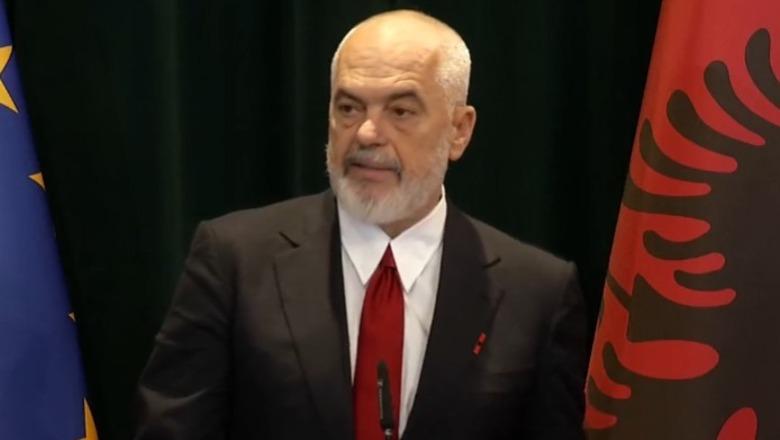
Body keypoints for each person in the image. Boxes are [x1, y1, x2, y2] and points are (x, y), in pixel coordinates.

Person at [135, 9, 588, 440]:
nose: (368, 133)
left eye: (400, 111)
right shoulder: (234, 260)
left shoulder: (538, 294)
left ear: (459, 130)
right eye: (349, 108)